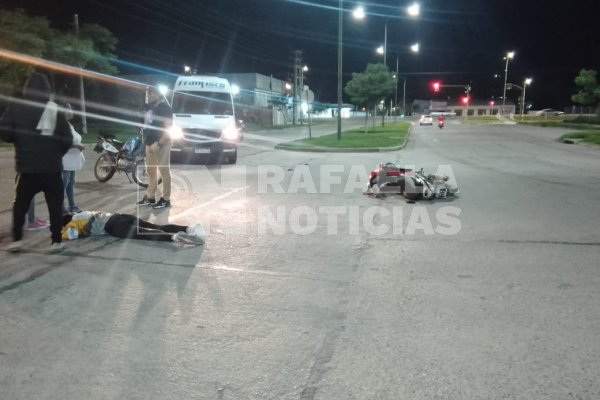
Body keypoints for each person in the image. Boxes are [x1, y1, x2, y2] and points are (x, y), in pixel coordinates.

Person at [0, 72, 73, 253]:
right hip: (52, 169)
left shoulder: (17, 108)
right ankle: (56, 241)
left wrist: (20, 140)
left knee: (20, 205)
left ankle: (17, 240)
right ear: (48, 91)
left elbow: (5, 133)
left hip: (27, 169)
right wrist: (55, 154)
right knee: (55, 205)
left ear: (27, 89)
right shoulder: (56, 110)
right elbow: (67, 140)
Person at [62, 211, 205, 245]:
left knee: (143, 234)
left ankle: (172, 237)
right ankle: (189, 229)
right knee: (154, 226)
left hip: (112, 226)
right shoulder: (84, 213)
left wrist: (60, 232)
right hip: (120, 216)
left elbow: (71, 234)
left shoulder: (73, 221)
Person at [137, 85, 173, 209]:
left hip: (160, 143)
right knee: (151, 172)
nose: (148, 96)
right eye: (147, 94)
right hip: (149, 142)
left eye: (150, 94)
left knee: (164, 172)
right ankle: (150, 197)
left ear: (158, 94)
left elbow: (169, 128)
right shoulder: (149, 108)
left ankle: (166, 199)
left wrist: (160, 143)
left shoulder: (165, 108)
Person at [61, 103, 85, 213]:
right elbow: (60, 142)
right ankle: (61, 209)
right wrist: (77, 146)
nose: (71, 111)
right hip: (64, 161)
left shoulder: (69, 125)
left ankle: (72, 205)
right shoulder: (60, 125)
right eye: (69, 109)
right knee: (63, 186)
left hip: (72, 162)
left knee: (70, 185)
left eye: (71, 109)